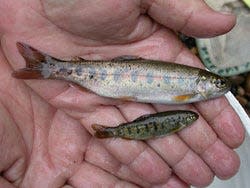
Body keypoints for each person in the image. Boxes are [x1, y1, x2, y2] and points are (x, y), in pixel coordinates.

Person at [0, 0, 245, 187]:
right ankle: (46, 67)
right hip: (106, 78)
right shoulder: (188, 92)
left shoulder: (191, 91)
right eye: (216, 85)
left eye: (218, 85)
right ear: (202, 82)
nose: (220, 89)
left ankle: (45, 67)